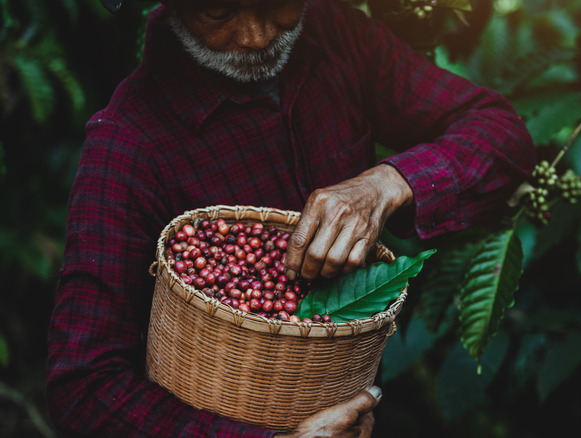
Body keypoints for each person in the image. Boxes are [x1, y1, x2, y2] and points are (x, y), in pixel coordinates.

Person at [46, 0, 536, 435]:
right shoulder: (128, 145)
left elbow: (500, 132)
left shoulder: (337, 35)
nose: (258, 36)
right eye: (218, 13)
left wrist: (387, 183)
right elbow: (85, 386)